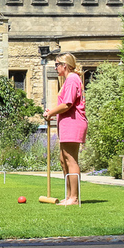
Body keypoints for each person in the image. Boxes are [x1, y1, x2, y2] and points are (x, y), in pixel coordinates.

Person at [43, 52, 87, 205]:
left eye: (57, 65)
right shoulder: (69, 80)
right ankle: (68, 196)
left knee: (70, 159)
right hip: (67, 123)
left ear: (65, 65)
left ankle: (74, 198)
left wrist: (51, 112)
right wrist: (53, 112)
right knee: (63, 160)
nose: (55, 68)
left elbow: (68, 104)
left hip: (73, 123)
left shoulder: (72, 79)